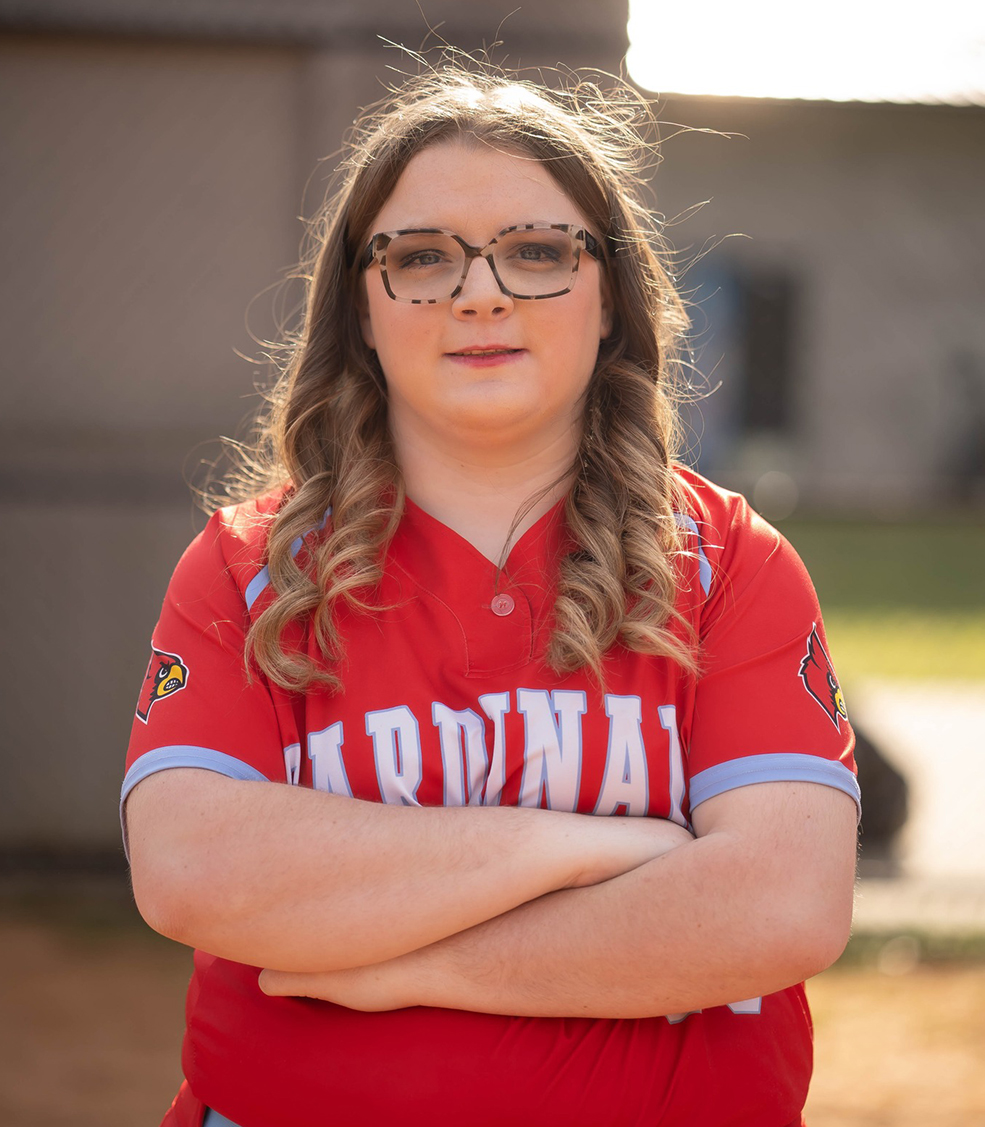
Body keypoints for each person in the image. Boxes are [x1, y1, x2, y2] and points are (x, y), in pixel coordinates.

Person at [122, 62, 860, 1127]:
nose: (480, 292)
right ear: (360, 310)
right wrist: (596, 848)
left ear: (611, 296)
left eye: (537, 252)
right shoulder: (253, 569)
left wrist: (401, 962)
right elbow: (196, 875)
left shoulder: (728, 563)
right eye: (421, 256)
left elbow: (781, 905)